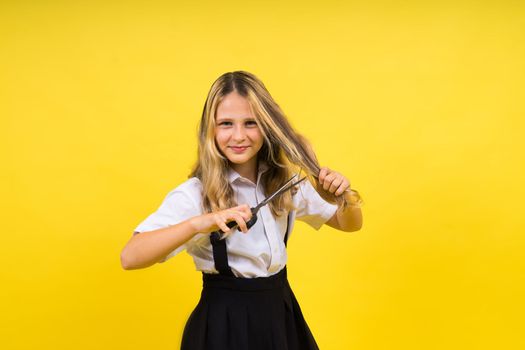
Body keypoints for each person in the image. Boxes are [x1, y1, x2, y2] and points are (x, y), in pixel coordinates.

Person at [120, 71, 363, 350]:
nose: (239, 136)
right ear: (210, 130)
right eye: (226, 124)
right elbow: (130, 256)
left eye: (251, 123)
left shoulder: (286, 183)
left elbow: (350, 224)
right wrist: (198, 224)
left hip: (280, 318)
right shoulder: (195, 195)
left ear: (268, 127)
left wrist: (341, 196)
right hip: (224, 328)